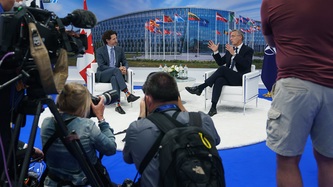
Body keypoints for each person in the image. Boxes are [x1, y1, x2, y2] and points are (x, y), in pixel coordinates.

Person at [261, 1, 333, 186]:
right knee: (329, 160)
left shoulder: (271, 3)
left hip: (294, 86)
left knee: (287, 161)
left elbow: (272, 41)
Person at [123, 72, 220, 187]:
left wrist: (142, 116)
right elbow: (215, 141)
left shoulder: (137, 129)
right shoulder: (203, 119)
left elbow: (128, 158)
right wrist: (183, 109)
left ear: (147, 100)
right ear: (178, 97)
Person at [40, 82, 117, 186]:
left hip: (52, 183)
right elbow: (111, 149)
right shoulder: (87, 126)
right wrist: (101, 119)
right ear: (83, 105)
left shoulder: (46, 123)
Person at [185, 29, 254, 116]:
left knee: (222, 69)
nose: (230, 38)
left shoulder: (248, 50)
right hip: (230, 77)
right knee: (219, 80)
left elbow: (246, 65)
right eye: (230, 36)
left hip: (241, 78)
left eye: (233, 36)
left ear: (240, 37)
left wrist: (235, 55)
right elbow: (220, 62)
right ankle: (213, 108)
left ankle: (200, 87)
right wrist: (215, 51)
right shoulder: (230, 50)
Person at [95, 30, 139, 114]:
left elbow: (125, 61)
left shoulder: (119, 49)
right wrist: (118, 69)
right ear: (107, 40)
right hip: (103, 75)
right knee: (115, 71)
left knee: (114, 78)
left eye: (116, 38)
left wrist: (124, 68)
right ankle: (127, 93)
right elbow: (101, 66)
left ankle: (117, 105)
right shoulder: (100, 51)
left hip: (116, 75)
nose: (116, 40)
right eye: (114, 39)